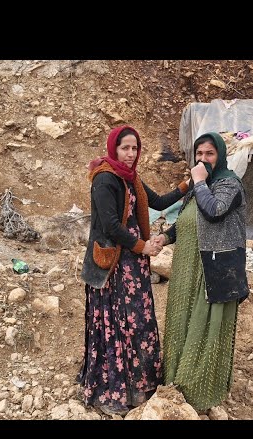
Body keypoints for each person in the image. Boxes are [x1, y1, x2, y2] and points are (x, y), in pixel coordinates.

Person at [78, 125, 190, 416]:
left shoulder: (132, 179)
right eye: (125, 148)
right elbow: (111, 226)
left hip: (133, 263)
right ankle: (113, 389)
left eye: (134, 148)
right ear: (113, 148)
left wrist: (187, 186)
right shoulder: (105, 179)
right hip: (115, 264)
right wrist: (142, 246)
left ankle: (138, 383)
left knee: (136, 321)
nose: (130, 154)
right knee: (118, 323)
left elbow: (159, 202)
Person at [152, 132, 249, 412]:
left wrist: (197, 180)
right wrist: (166, 237)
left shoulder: (229, 184)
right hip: (187, 265)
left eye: (209, 154)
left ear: (219, 156)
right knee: (183, 318)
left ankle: (199, 390)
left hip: (214, 268)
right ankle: (175, 380)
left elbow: (214, 211)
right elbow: (188, 219)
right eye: (199, 154)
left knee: (206, 322)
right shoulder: (201, 186)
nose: (203, 159)